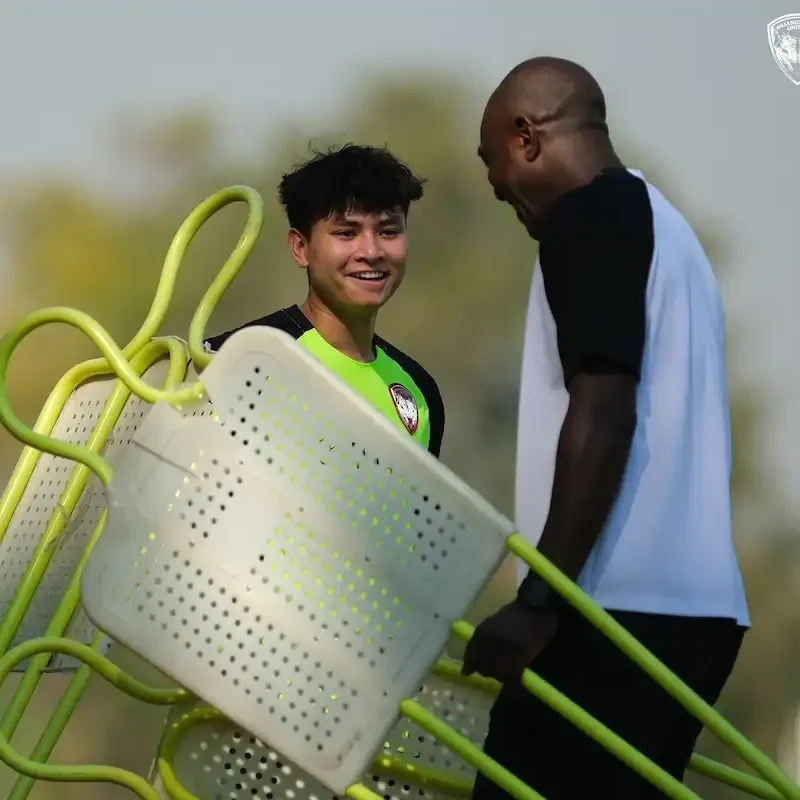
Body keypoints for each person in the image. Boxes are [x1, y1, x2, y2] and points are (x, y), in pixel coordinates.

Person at [463, 57, 749, 798]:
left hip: (614, 613)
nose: (507, 198)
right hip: (697, 614)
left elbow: (605, 408)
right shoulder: (669, 231)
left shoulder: (587, 218)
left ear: (527, 137)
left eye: (500, 177)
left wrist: (539, 602)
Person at [203, 144, 445, 457]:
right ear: (300, 247)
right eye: (347, 233)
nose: (371, 252)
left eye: (388, 231)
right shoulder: (238, 363)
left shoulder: (419, 390)